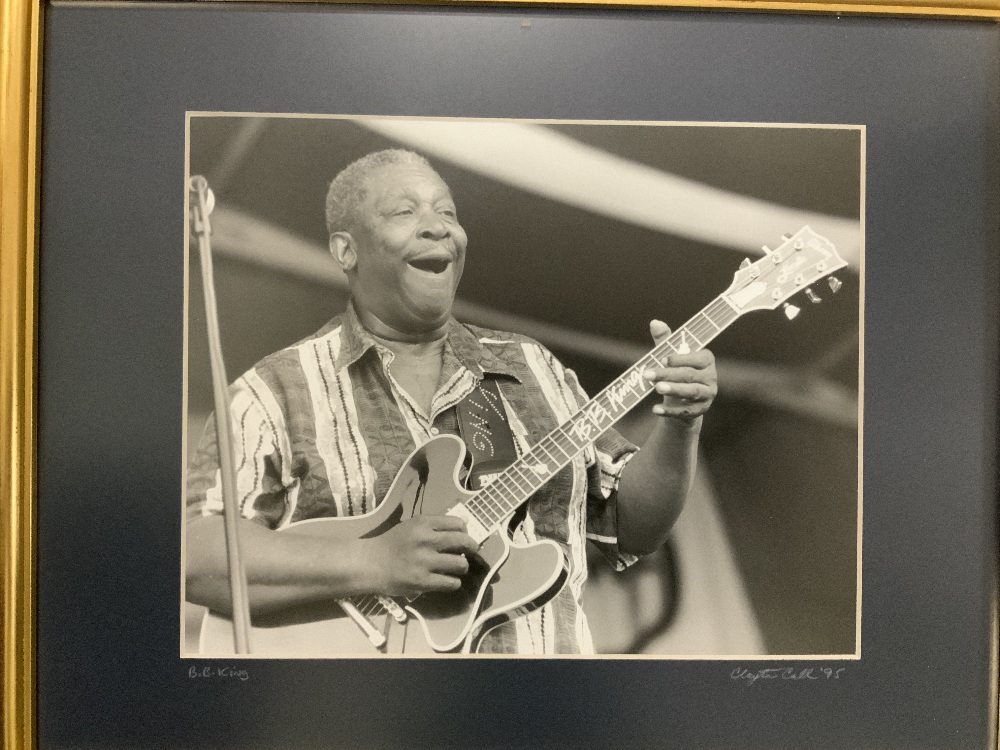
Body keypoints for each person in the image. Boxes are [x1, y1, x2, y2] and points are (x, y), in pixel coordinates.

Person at [185, 149, 717, 654]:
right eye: (404, 211)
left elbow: (633, 529)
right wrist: (369, 560)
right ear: (346, 249)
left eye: (448, 212)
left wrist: (681, 424)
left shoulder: (529, 366)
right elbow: (195, 556)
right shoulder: (273, 390)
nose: (438, 225)